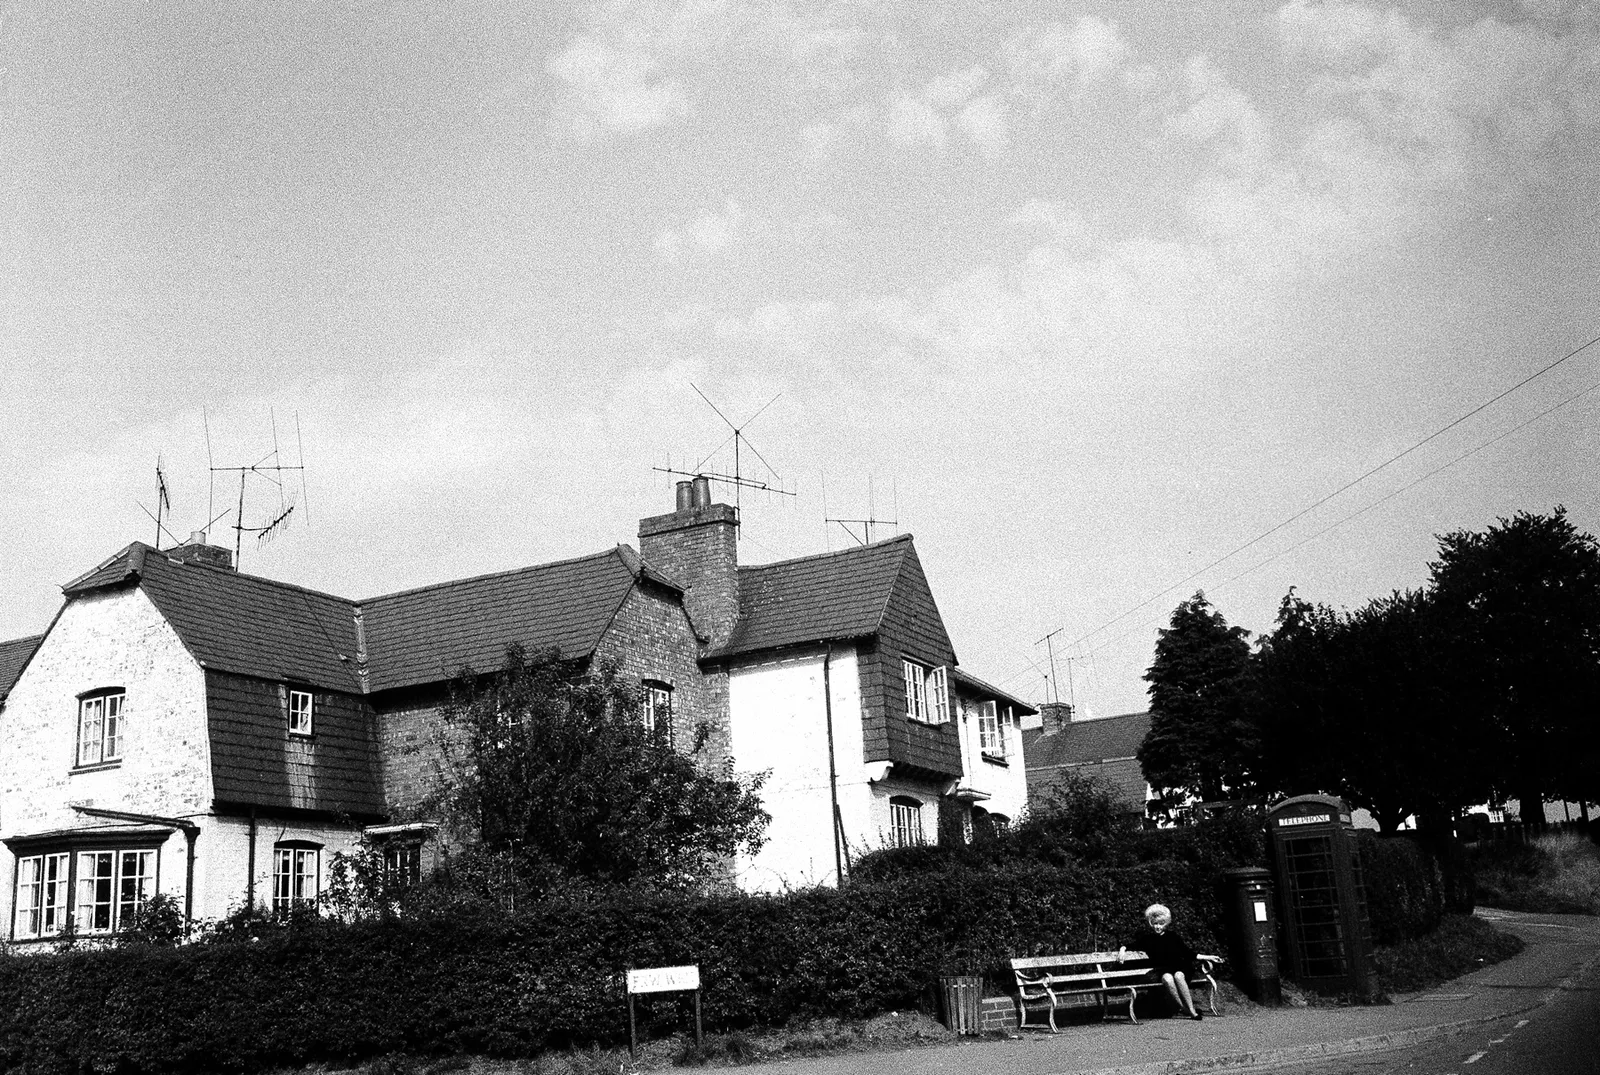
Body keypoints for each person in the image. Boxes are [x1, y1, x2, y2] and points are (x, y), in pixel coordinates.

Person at [1118, 903, 1203, 1020]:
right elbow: (1131, 945)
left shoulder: (1173, 936)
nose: (1158, 927)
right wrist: (1122, 949)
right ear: (1150, 923)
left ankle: (1192, 1009)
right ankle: (1184, 1008)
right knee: (1167, 978)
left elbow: (1187, 952)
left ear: (1166, 924)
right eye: (1155, 924)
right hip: (1162, 970)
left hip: (1179, 967)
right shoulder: (1147, 939)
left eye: (1161, 924)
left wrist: (1207, 957)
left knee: (1178, 976)